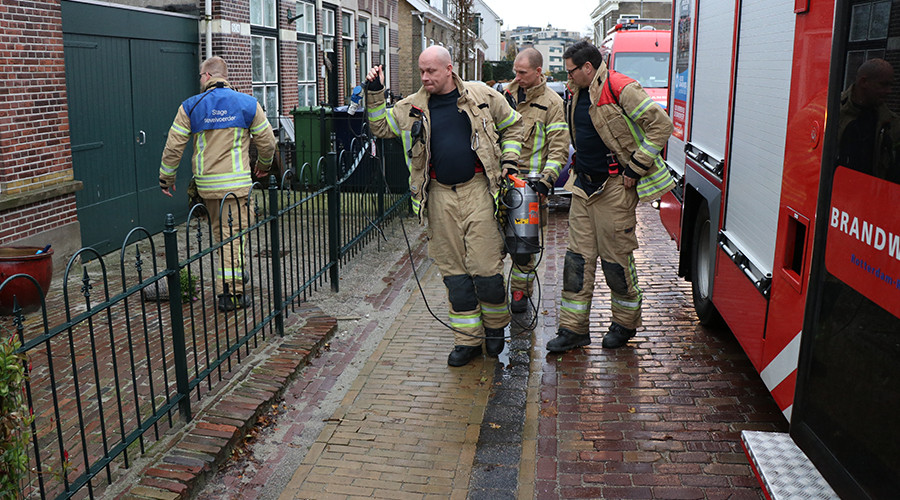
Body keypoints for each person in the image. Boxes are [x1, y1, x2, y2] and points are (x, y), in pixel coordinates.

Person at [364, 46, 525, 366]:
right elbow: (380, 127)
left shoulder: (481, 95)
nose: (425, 77)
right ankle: (467, 340)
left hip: (479, 189)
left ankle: (495, 328)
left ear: (449, 69)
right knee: (455, 274)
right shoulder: (411, 107)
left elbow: (513, 124)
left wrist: (510, 161)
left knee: (486, 271)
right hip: (438, 195)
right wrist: (375, 92)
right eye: (421, 71)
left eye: (431, 72)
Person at [546, 41, 674, 352]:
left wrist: (635, 167)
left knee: (616, 262)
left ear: (587, 67)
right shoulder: (578, 91)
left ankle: (624, 324)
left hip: (615, 189)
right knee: (576, 261)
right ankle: (573, 329)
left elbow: (661, 125)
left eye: (571, 71)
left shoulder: (620, 88)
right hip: (583, 187)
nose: (568, 77)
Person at [159, 56, 276, 312]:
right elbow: (267, 142)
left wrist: (166, 178)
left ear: (209, 76)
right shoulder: (247, 104)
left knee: (223, 236)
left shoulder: (190, 107)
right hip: (236, 187)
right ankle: (230, 295)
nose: (200, 80)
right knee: (233, 236)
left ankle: (232, 276)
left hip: (207, 187)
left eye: (201, 75)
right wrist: (264, 166)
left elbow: (174, 145)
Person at [502, 48, 569, 314]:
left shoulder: (552, 104)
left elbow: (559, 149)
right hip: (500, 183)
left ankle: (520, 293)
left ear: (538, 72)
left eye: (522, 73)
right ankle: (494, 294)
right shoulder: (503, 96)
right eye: (514, 72)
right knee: (491, 245)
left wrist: (545, 182)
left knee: (523, 249)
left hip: (528, 189)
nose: (516, 77)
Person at [838, 58, 900, 182]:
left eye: (890, 85)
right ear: (864, 82)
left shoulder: (893, 123)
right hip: (834, 194)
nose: (889, 91)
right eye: (883, 84)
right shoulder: (831, 111)